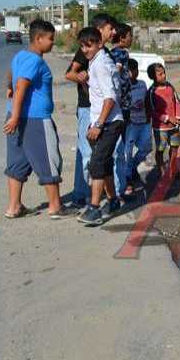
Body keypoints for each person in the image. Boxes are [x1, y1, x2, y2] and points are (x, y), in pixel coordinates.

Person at [3, 19, 66, 219]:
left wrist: (9, 90)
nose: (53, 42)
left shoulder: (20, 56)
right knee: (48, 160)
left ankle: (14, 207)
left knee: (17, 162)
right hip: (35, 119)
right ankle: (55, 207)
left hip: (16, 117)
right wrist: (15, 116)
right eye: (50, 39)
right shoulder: (35, 61)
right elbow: (21, 84)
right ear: (38, 38)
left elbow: (12, 75)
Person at [65, 12, 116, 207]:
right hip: (88, 108)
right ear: (100, 29)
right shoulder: (87, 50)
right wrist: (83, 78)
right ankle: (82, 195)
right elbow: (70, 74)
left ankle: (103, 195)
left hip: (101, 110)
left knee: (101, 156)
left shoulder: (103, 53)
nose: (113, 32)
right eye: (110, 28)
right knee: (88, 154)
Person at [77, 27, 126, 227]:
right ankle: (113, 200)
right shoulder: (95, 62)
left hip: (110, 122)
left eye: (89, 46)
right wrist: (84, 82)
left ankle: (94, 208)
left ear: (99, 43)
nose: (85, 50)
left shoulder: (101, 64)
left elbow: (110, 99)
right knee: (103, 163)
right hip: (102, 120)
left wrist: (98, 124)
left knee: (97, 163)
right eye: (82, 46)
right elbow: (97, 95)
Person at [118, 59, 152, 197]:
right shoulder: (122, 87)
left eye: (135, 70)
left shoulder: (142, 85)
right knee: (127, 152)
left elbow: (147, 101)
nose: (133, 73)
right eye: (129, 71)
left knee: (146, 148)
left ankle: (132, 168)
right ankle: (128, 178)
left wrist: (149, 117)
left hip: (143, 122)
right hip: (130, 124)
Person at [109, 22, 135, 198]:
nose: (132, 38)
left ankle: (121, 182)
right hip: (122, 106)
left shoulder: (111, 53)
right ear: (122, 37)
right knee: (121, 147)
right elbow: (116, 73)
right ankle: (122, 185)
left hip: (119, 105)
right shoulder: (121, 53)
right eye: (130, 36)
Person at [147, 63, 180, 178]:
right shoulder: (152, 92)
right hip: (160, 128)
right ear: (153, 77)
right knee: (160, 149)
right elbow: (152, 111)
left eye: (164, 73)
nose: (164, 76)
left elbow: (177, 102)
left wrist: (177, 117)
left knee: (174, 148)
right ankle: (162, 170)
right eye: (160, 74)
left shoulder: (170, 87)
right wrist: (167, 118)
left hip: (174, 126)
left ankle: (173, 169)